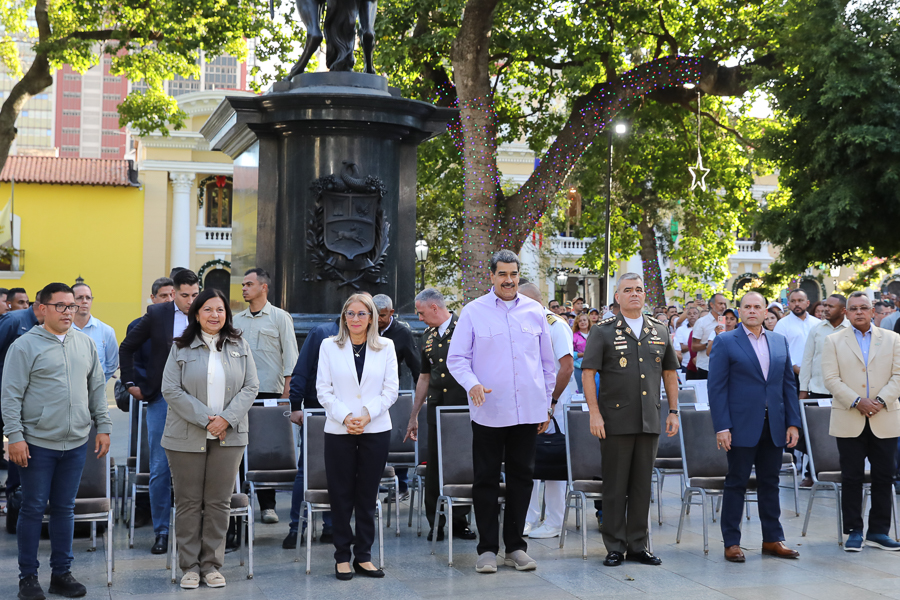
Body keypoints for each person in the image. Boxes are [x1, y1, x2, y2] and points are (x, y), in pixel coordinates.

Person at [447, 249, 555, 574]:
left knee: (523, 478)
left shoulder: (536, 311)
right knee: (486, 479)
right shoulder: (472, 312)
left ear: (518, 275)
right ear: (491, 276)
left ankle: (516, 548)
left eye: (513, 274)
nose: (509, 280)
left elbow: (548, 365)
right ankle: (487, 550)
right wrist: (472, 383)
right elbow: (457, 359)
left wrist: (546, 404)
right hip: (489, 411)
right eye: (503, 274)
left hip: (528, 414)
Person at [2, 283, 112, 600]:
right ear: (43, 308)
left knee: (65, 509)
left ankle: (61, 574)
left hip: (76, 443)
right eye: (61, 306)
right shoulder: (24, 347)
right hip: (36, 444)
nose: (69, 312)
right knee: (33, 509)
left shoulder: (85, 344)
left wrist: (103, 425)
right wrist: (15, 437)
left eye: (72, 306)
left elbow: (96, 389)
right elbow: (10, 397)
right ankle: (28, 578)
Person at [161, 289, 259, 589]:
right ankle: (189, 566)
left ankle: (212, 566)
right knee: (189, 503)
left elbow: (251, 385)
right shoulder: (181, 347)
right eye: (208, 309)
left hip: (230, 436)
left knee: (219, 503)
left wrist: (226, 420)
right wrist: (208, 419)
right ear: (196, 314)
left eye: (220, 309)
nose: (215, 315)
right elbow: (170, 389)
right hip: (186, 436)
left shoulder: (239, 344)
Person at [580, 273, 680, 567]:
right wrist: (594, 412)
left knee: (641, 486)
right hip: (615, 420)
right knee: (615, 485)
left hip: (649, 418)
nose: (634, 294)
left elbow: (670, 374)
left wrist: (673, 412)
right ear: (617, 297)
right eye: (628, 290)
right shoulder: (603, 331)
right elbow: (588, 373)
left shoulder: (659, 330)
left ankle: (638, 544)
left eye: (638, 289)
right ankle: (614, 545)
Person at [708, 291, 801, 563]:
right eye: (746, 306)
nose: (752, 310)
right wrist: (722, 426)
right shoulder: (725, 341)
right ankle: (732, 543)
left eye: (757, 306)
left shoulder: (779, 341)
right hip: (739, 426)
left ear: (764, 311)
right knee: (736, 483)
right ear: (739, 311)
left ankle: (773, 539)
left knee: (771, 483)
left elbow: (788, 386)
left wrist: (793, 423)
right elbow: (717, 389)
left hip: (774, 425)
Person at [119, 268, 200, 554]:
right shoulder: (157, 315)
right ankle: (162, 532)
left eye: (195, 294)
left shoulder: (207, 313)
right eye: (185, 295)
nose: (191, 300)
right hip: (161, 399)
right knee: (160, 468)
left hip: (200, 400)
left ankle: (192, 532)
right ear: (173, 292)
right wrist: (131, 383)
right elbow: (127, 347)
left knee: (196, 466)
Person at [317, 293, 398, 580]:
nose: (355, 319)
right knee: (340, 495)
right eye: (349, 314)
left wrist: (366, 414)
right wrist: (345, 417)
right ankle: (342, 556)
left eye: (361, 314)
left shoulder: (386, 346)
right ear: (343, 317)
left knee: (367, 495)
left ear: (372, 317)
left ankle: (363, 555)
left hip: (374, 429)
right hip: (339, 430)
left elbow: (391, 389)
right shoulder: (329, 346)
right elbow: (323, 389)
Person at [822, 292, 900, 552]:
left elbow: (898, 376)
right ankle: (854, 530)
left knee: (883, 476)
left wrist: (879, 400)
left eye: (864, 308)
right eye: (853, 308)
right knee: (852, 477)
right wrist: (857, 401)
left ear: (873, 311)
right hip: (849, 417)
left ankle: (878, 531)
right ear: (846, 312)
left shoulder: (892, 339)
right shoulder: (833, 341)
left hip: (884, 416)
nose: (859, 312)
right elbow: (831, 379)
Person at [404, 288, 476, 542]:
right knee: (434, 466)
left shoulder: (465, 329)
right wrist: (414, 415)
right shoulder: (427, 336)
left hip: (462, 408)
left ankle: (460, 521)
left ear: (435, 307)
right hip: (436, 409)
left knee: (462, 464)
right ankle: (436, 522)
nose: (419, 318)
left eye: (422, 312)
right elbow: (424, 376)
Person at [232, 268, 299, 526]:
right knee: (239, 446)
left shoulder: (280, 318)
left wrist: (285, 396)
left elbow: (291, 360)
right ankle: (239, 499)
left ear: (263, 287)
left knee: (267, 450)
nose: (244, 288)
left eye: (249, 284)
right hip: (240, 394)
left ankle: (267, 506)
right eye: (243, 285)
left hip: (270, 393)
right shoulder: (236, 321)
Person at [519, 282, 575, 539]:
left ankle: (554, 520)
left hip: (555, 404)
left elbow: (566, 367)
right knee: (530, 461)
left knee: (553, 461)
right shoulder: (526, 324)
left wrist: (551, 403)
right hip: (531, 403)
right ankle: (528, 518)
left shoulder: (556, 325)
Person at [283, 317, 339, 550]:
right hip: (318, 411)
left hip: (350, 415)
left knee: (338, 471)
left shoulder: (370, 338)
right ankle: (297, 526)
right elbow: (302, 370)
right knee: (307, 469)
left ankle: (331, 526)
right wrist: (296, 404)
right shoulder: (321, 333)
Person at [127, 277, 175, 529]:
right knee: (158, 465)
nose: (169, 300)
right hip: (155, 399)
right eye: (164, 296)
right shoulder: (140, 324)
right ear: (153, 298)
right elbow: (134, 358)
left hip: (189, 402)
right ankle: (160, 529)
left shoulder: (188, 322)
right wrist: (142, 388)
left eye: (172, 295)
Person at [0, 295, 43, 526]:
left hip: (28, 404)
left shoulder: (47, 329)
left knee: (22, 461)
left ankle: (15, 513)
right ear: (42, 306)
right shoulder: (14, 320)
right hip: (6, 396)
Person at [372, 293, 420, 499]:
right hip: (368, 392)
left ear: (391, 313)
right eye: (375, 315)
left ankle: (401, 485)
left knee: (397, 434)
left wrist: (422, 393)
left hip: (391, 391)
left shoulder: (402, 332)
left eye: (382, 315)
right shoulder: (365, 326)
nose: (378, 320)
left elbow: (415, 364)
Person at [774, 289, 820, 392]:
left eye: (800, 300)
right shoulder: (782, 324)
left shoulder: (817, 323)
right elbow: (780, 351)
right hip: (792, 376)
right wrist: (798, 370)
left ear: (807, 303)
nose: (797, 304)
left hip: (816, 376)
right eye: (793, 301)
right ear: (789, 304)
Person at [71, 282, 119, 382]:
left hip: (95, 392)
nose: (84, 301)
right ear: (71, 301)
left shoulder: (106, 331)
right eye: (79, 298)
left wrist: (98, 384)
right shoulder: (62, 329)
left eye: (88, 298)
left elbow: (112, 364)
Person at [692, 294, 728, 379]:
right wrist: (710, 345)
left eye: (724, 304)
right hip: (706, 367)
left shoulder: (727, 321)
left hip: (724, 368)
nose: (723, 306)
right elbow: (694, 347)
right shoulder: (701, 322)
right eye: (720, 303)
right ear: (712, 305)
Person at [675, 306, 699, 372]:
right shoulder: (680, 329)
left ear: (698, 315)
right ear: (687, 316)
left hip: (702, 365)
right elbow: (681, 348)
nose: (692, 315)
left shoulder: (703, 329)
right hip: (686, 365)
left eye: (695, 313)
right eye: (689, 314)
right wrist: (697, 345)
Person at [572, 313, 591, 393]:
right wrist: (583, 354)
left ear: (588, 321)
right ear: (577, 324)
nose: (582, 322)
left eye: (584, 320)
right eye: (580, 321)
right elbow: (571, 354)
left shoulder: (595, 334)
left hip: (593, 366)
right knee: (581, 390)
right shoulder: (574, 336)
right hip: (579, 367)